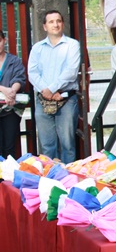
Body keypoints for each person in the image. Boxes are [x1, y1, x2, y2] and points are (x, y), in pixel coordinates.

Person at [27, 10, 81, 163]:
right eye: (51, 22)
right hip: (43, 100)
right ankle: (50, 175)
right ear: (45, 26)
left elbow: (71, 71)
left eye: (58, 21)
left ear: (62, 24)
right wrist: (46, 91)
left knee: (67, 144)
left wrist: (51, 89)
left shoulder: (72, 45)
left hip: (66, 99)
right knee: (47, 145)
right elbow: (32, 73)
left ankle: (68, 175)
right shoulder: (37, 48)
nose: (55, 24)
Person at [0, 29, 28, 158]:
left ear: (4, 40)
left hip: (10, 108)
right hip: (5, 97)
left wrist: (12, 91)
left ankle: (9, 170)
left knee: (9, 146)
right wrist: (4, 89)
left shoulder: (14, 60)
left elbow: (19, 79)